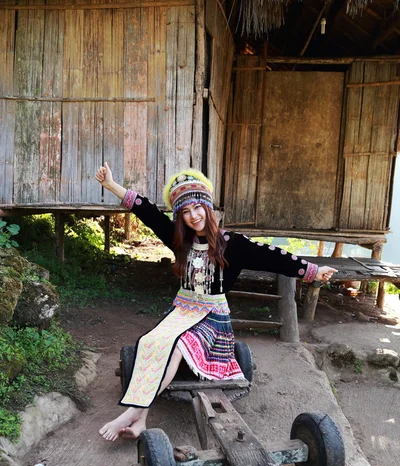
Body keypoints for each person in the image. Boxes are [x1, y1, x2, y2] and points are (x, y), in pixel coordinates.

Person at [95, 163, 337, 441]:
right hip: (182, 310)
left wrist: (312, 271)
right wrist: (112, 186)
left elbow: (272, 256)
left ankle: (132, 412)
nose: (192, 216)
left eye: (197, 208)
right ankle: (141, 422)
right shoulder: (180, 240)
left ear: (207, 207)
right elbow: (147, 212)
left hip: (212, 318)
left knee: (176, 345)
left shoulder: (232, 244)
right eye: (185, 212)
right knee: (150, 342)